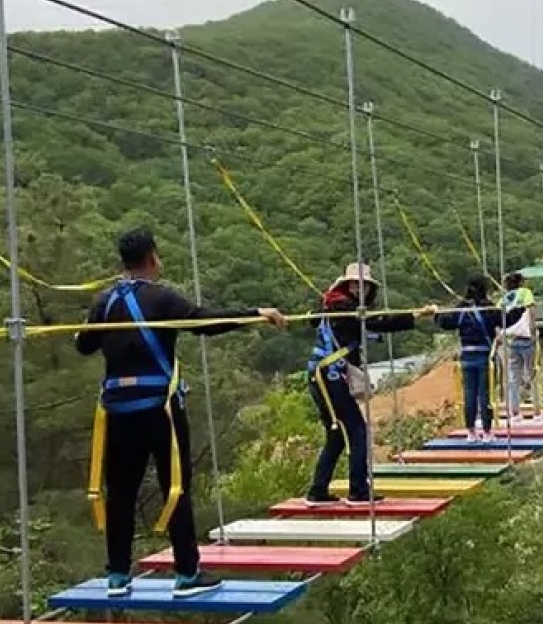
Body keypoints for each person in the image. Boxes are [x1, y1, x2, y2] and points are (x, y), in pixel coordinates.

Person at [75, 227, 287, 599]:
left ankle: (117, 574)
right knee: (176, 487)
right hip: (161, 409)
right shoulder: (161, 298)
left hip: (118, 410)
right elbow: (205, 322)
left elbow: (84, 347)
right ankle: (187, 572)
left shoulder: (105, 302)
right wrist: (256, 314)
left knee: (121, 490)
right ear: (153, 258)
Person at [304, 263, 435, 506]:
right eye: (355, 284)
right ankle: (358, 490)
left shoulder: (333, 305)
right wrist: (416, 315)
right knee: (357, 431)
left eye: (363, 286)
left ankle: (318, 491)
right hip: (331, 376)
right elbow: (379, 322)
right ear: (346, 286)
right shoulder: (342, 308)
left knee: (336, 436)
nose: (359, 289)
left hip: (322, 374)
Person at [436, 276, 522, 441]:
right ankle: (487, 432)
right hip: (485, 356)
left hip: (466, 357)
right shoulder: (488, 308)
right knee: (485, 394)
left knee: (469, 394)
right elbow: (507, 320)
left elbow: (445, 322)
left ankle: (471, 432)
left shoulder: (461, 309)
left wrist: (435, 313)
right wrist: (520, 309)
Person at [499, 272, 543, 423]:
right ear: (521, 283)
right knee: (533, 374)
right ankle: (537, 412)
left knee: (513, 378)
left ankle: (515, 413)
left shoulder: (504, 299)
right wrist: (533, 332)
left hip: (511, 340)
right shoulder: (525, 293)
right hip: (526, 338)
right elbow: (531, 312)